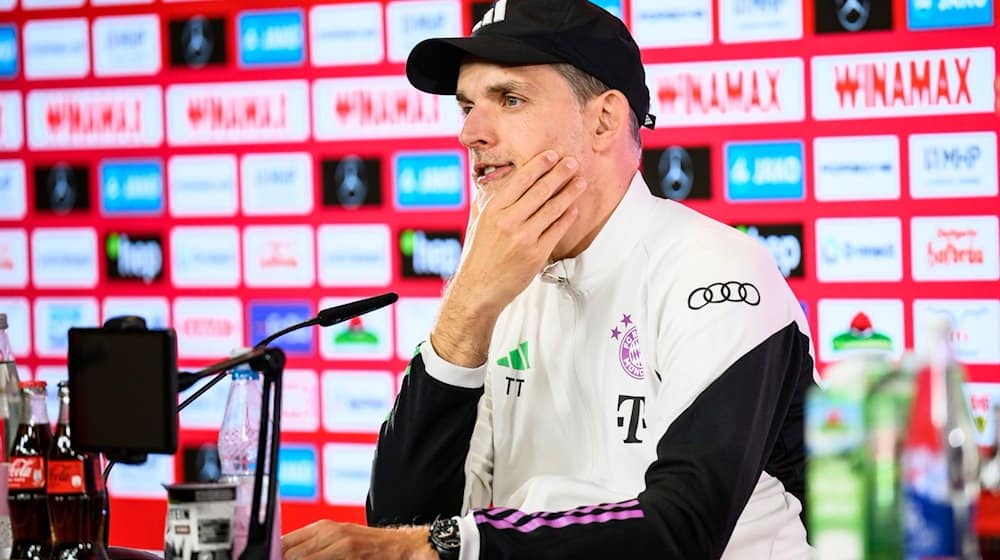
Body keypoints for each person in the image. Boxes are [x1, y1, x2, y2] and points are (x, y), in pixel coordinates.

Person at [281, 1, 818, 558]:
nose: (470, 132)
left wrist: (441, 545)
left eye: (509, 99)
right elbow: (400, 525)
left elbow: (683, 528)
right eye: (466, 106)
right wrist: (465, 311)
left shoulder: (716, 268)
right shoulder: (499, 284)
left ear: (604, 121)